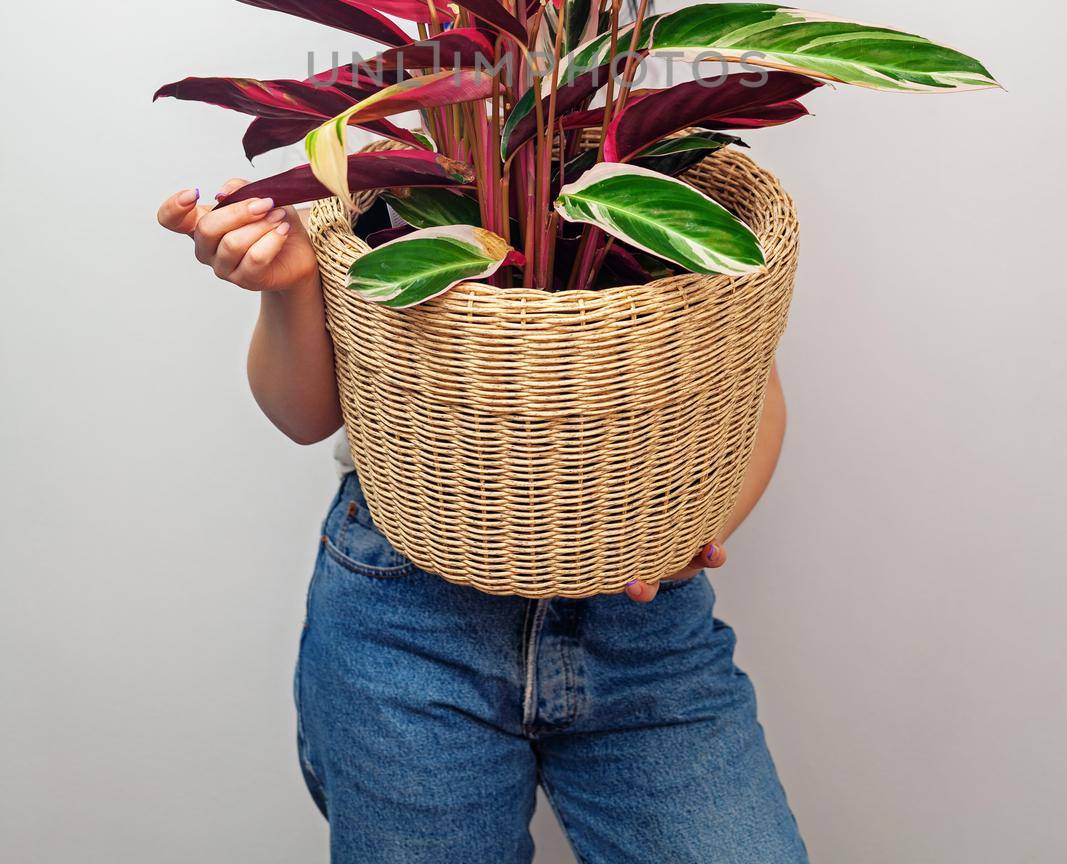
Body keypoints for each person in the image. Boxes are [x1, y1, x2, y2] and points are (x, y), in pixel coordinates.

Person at [157, 180, 808, 862]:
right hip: (409, 625)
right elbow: (304, 418)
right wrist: (287, 282)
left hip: (639, 626)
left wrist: (691, 533)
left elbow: (748, 389)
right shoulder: (369, 180)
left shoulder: (667, 172)